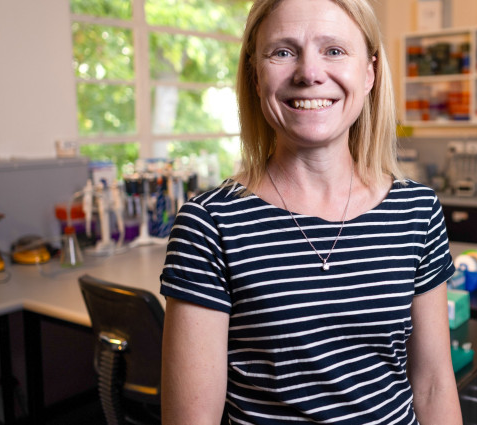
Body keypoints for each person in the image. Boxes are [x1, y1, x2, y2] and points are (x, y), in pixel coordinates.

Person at [159, 0, 461, 423]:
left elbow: (432, 384)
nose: (309, 73)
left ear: (370, 71)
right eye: (282, 51)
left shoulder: (417, 210)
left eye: (334, 50)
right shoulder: (209, 224)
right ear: (254, 73)